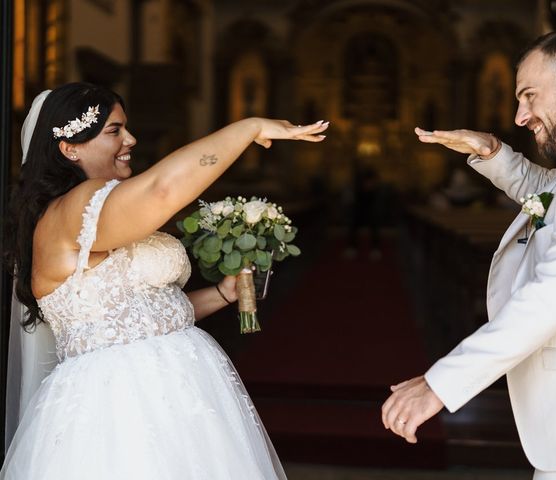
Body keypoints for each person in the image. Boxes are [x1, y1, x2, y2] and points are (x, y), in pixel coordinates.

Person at [2, 82, 328, 479]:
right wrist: (248, 128)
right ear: (71, 148)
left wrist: (223, 294)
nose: (130, 139)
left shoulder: (99, 205)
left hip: (182, 396)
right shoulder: (74, 209)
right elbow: (163, 190)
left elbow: (140, 318)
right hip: (121, 407)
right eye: (114, 130)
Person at [381, 28, 556, 479]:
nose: (520, 115)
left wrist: (439, 385)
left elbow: (552, 295)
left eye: (529, 96)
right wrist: (494, 153)